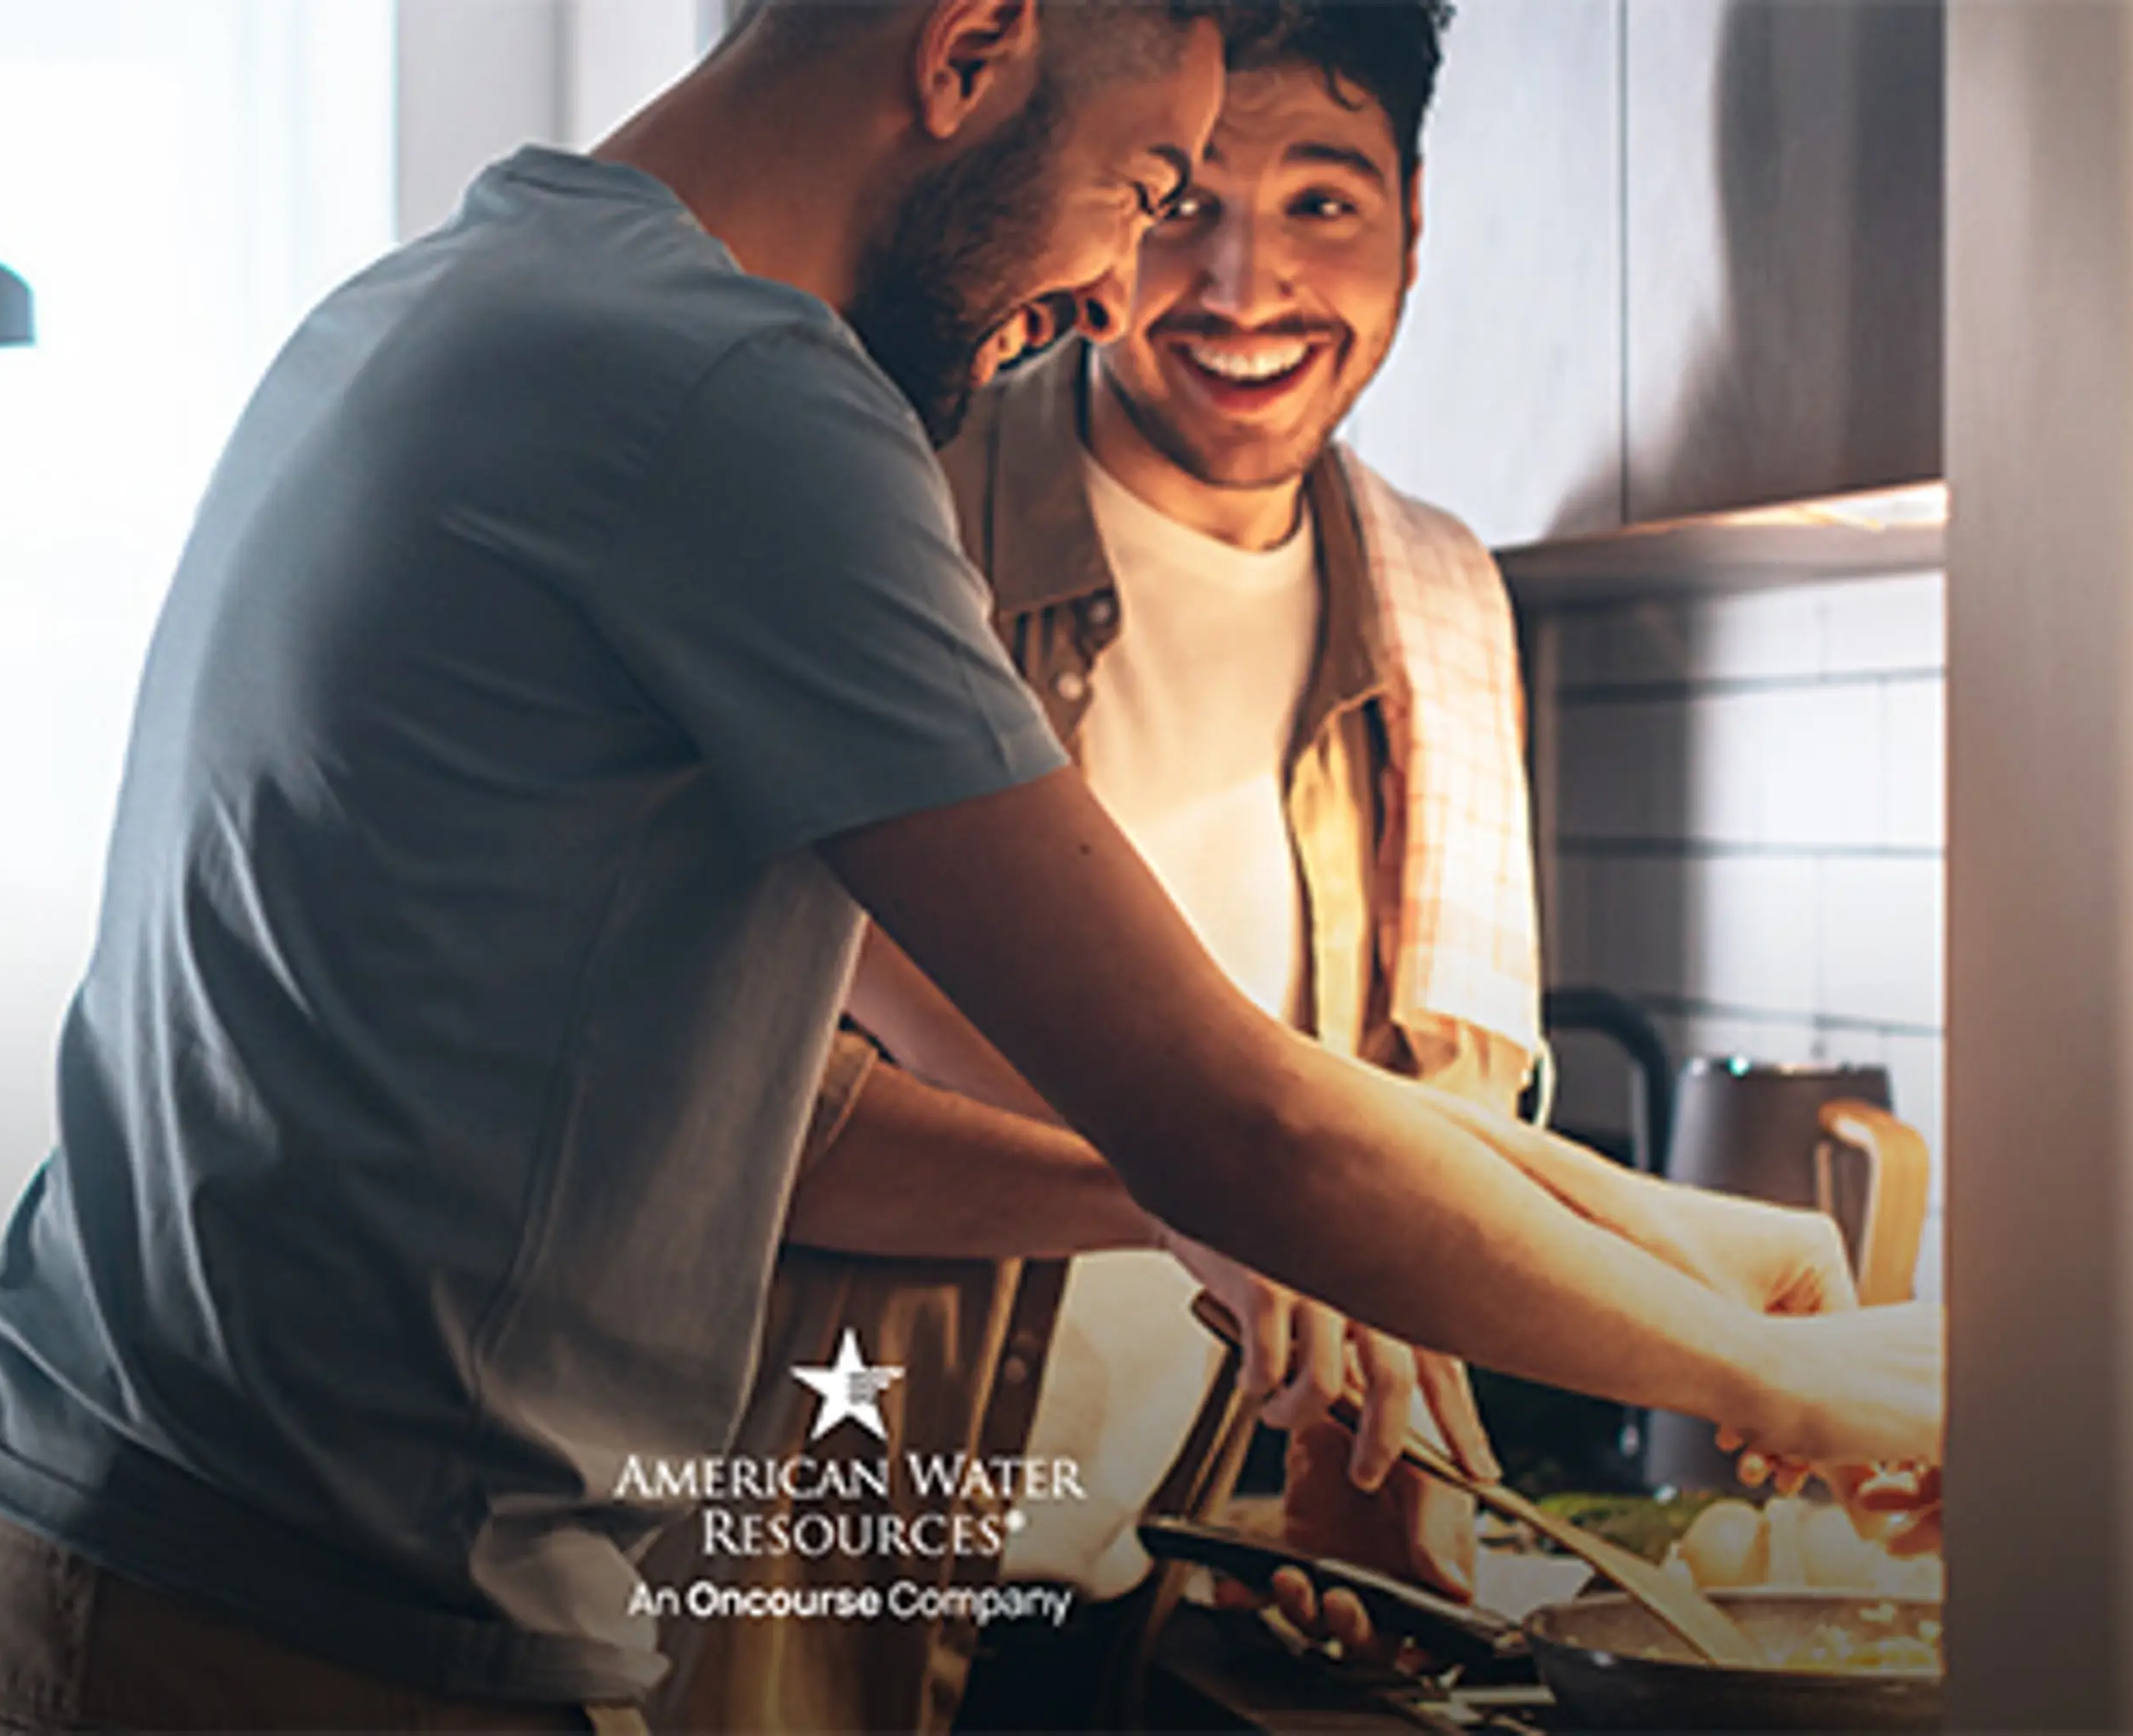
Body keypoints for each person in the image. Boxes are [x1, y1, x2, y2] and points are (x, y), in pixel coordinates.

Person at [0, 1, 1942, 1731]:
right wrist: (1788, 1380)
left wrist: (1679, 1244)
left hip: (110, 1561)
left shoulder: (477, 291)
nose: (1119, 285)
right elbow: (1223, 1115)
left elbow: (946, 1094)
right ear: (970, 49)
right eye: (1148, 188)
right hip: (290, 1643)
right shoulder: (732, 395)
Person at [646, 9, 1552, 1728]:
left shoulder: (1440, 604)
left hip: (1162, 1594)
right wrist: (1192, 1187)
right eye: (1181, 200)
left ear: (1416, 220)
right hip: (814, 1572)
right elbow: (751, 1117)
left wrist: (1364, 1470)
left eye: (1323, 203)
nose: (1243, 286)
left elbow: (1431, 1111)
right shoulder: (887, 501)